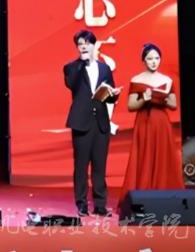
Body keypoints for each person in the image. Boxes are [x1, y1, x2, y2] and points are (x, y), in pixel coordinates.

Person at [63, 29, 121, 217]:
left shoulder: (104, 69)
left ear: (94, 45)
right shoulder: (72, 68)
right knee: (81, 166)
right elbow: (71, 84)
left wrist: (113, 95)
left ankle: (100, 205)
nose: (84, 47)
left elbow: (110, 95)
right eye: (80, 44)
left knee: (99, 165)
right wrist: (82, 63)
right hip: (81, 122)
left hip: (100, 122)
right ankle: (81, 204)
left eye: (87, 43)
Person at [119, 43, 182, 205]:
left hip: (161, 123)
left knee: (163, 157)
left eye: (157, 58)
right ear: (144, 60)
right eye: (150, 58)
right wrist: (144, 99)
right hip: (144, 122)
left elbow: (174, 105)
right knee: (144, 157)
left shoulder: (167, 80)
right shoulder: (136, 79)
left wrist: (165, 98)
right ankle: (143, 196)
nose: (154, 62)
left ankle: (164, 196)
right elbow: (131, 106)